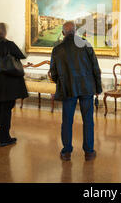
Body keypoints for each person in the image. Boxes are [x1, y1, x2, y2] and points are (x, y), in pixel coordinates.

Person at [50, 21, 102, 161]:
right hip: (87, 87)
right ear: (75, 32)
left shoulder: (57, 49)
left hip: (68, 89)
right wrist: (98, 88)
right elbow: (95, 68)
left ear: (63, 33)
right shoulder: (86, 45)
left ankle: (66, 152)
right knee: (88, 121)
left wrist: (60, 82)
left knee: (67, 121)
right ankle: (89, 152)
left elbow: (53, 73)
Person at [0, 23, 28, 147]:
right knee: (6, 109)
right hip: (7, 80)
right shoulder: (9, 44)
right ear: (4, 32)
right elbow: (21, 55)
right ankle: (4, 137)